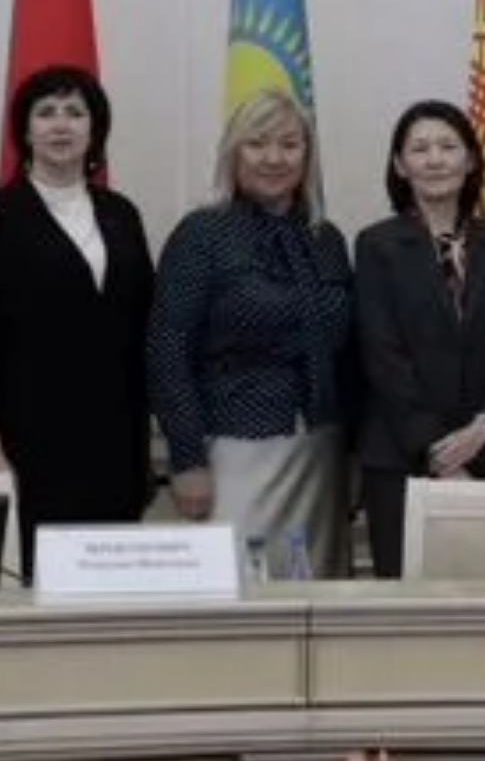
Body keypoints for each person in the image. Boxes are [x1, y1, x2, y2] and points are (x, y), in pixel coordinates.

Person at [147, 89, 358, 574]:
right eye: (257, 144)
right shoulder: (201, 234)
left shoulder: (327, 239)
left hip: (320, 452)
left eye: (289, 144)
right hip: (232, 450)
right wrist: (187, 460)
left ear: (308, 156)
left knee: (315, 586)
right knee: (239, 584)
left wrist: (354, 456)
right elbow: (167, 350)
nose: (274, 158)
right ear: (233, 153)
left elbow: (349, 355)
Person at [0, 64, 158, 542]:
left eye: (74, 113)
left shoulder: (121, 214)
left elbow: (144, 328)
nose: (61, 125)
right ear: (25, 131)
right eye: (45, 113)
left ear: (95, 129)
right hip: (26, 446)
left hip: (115, 443)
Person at [349, 96, 485, 577]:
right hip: (402, 459)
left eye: (448, 147)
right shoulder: (376, 245)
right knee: (407, 600)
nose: (435, 160)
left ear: (470, 160)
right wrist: (441, 454)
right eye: (420, 149)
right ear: (399, 165)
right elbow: (383, 357)